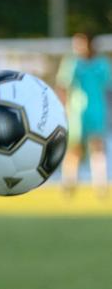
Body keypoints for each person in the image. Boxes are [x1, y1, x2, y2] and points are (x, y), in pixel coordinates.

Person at [56, 32, 111, 195]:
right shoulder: (73, 63)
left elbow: (108, 88)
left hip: (97, 110)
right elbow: (63, 86)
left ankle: (100, 185)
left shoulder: (103, 64)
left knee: (97, 147)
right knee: (75, 149)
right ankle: (69, 183)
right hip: (76, 112)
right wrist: (62, 108)